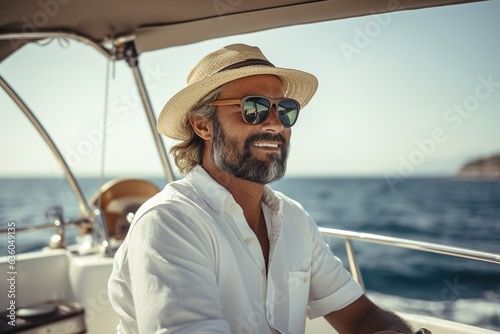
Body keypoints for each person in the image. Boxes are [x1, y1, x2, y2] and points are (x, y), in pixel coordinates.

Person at [108, 44, 430, 334]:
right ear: (203, 125)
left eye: (285, 110)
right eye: (254, 108)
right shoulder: (169, 221)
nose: (275, 124)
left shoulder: (294, 219)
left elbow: (362, 318)